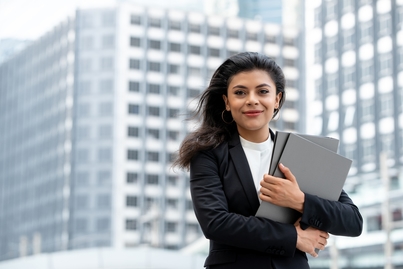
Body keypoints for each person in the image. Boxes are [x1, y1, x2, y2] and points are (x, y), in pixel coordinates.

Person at [174, 52, 363, 269]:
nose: (252, 100)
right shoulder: (208, 154)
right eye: (240, 92)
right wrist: (294, 237)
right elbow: (215, 223)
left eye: (262, 91)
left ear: (277, 99)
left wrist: (299, 200)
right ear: (227, 102)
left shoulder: (302, 153)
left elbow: (353, 221)